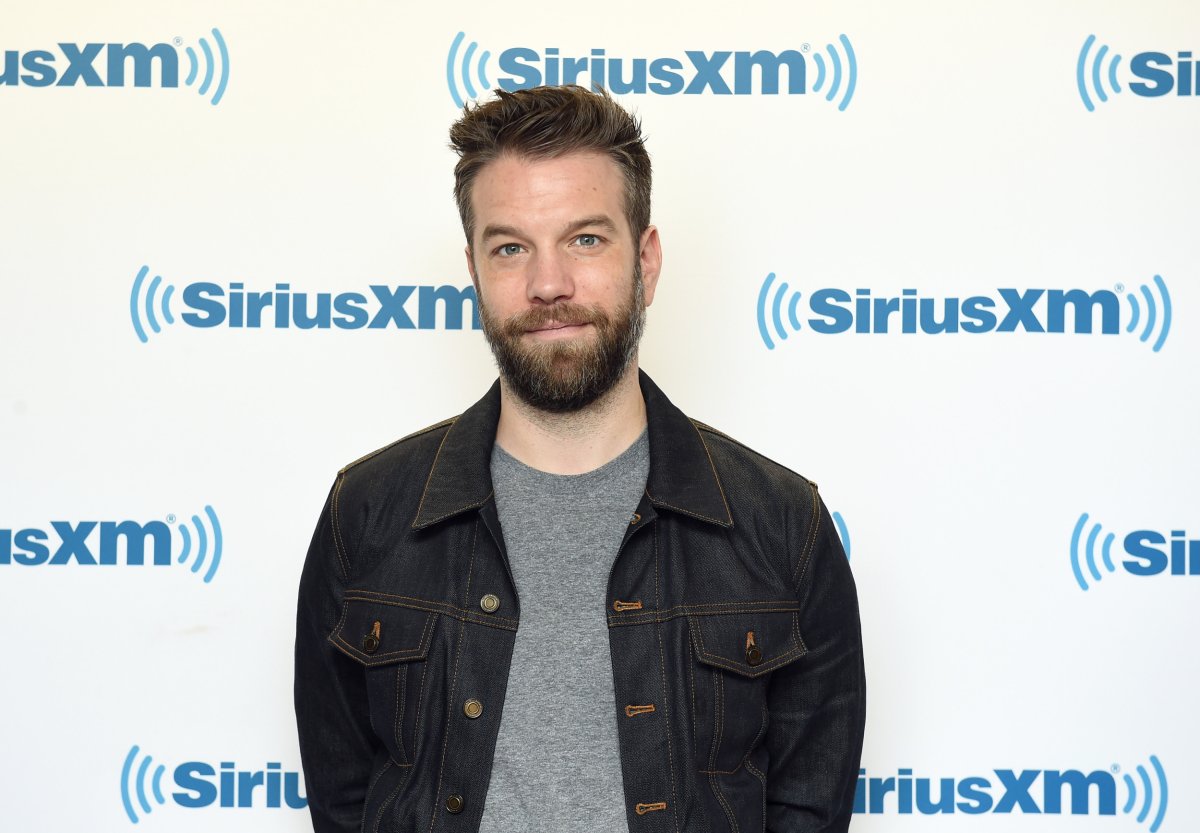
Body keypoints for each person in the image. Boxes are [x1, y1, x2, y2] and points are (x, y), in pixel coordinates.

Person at [295, 85, 865, 833]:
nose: (548, 284)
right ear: (473, 270)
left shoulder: (781, 527)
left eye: (586, 239)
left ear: (647, 260)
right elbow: (345, 799)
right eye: (510, 248)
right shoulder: (367, 514)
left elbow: (809, 808)